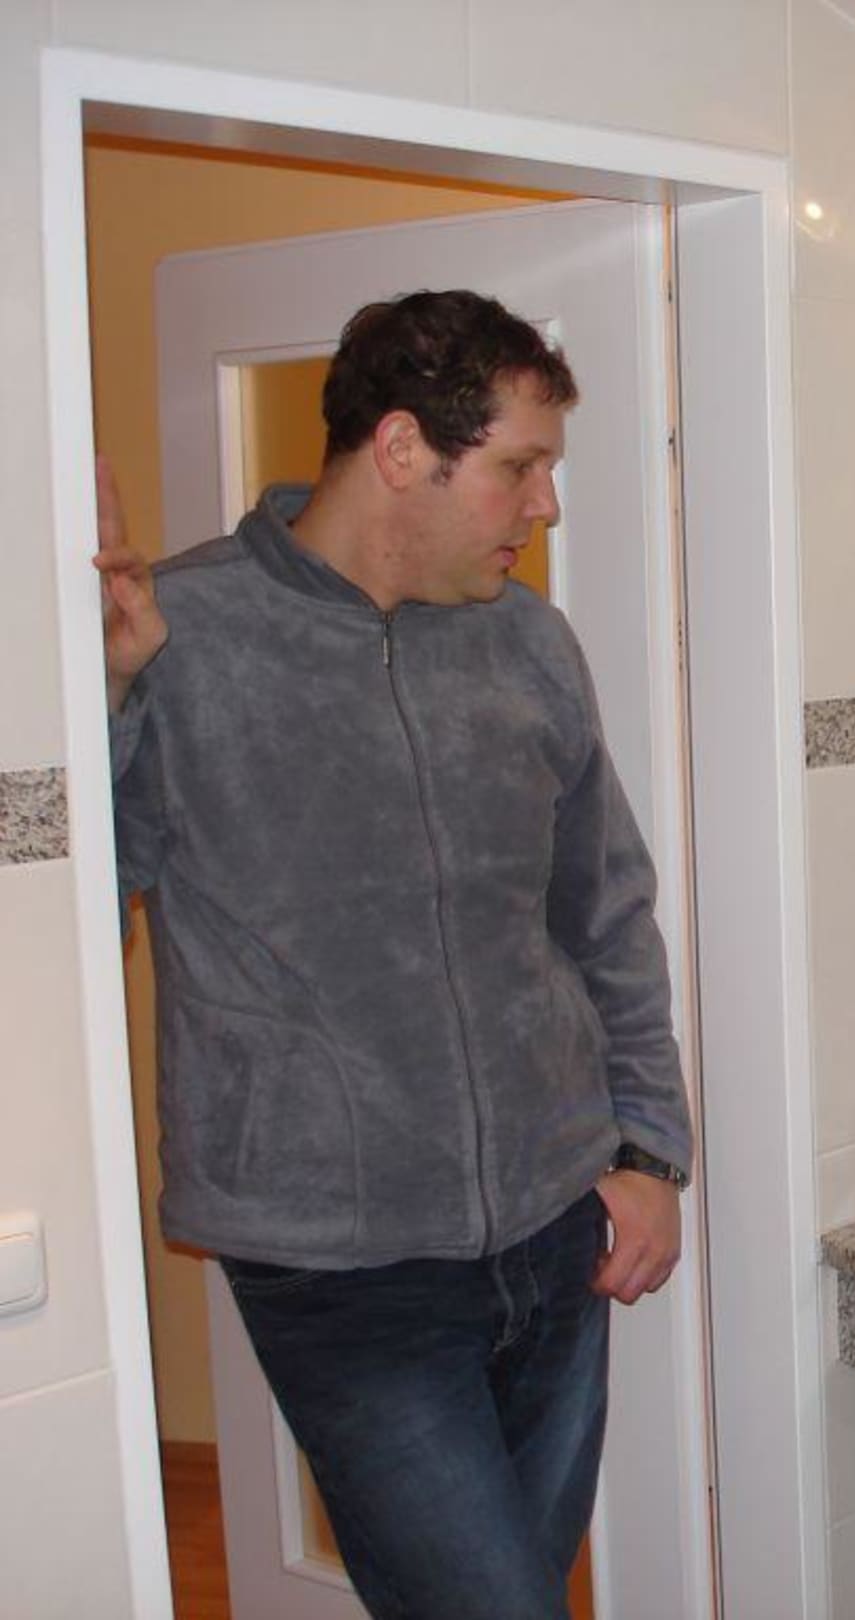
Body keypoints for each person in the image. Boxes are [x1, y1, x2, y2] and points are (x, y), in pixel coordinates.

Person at [94, 290, 692, 1620]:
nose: (544, 506)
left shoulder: (526, 641)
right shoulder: (179, 636)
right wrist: (109, 698)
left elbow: (606, 913)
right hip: (339, 1259)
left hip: (556, 1224)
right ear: (404, 446)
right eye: (519, 468)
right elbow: (68, 922)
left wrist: (650, 1152)